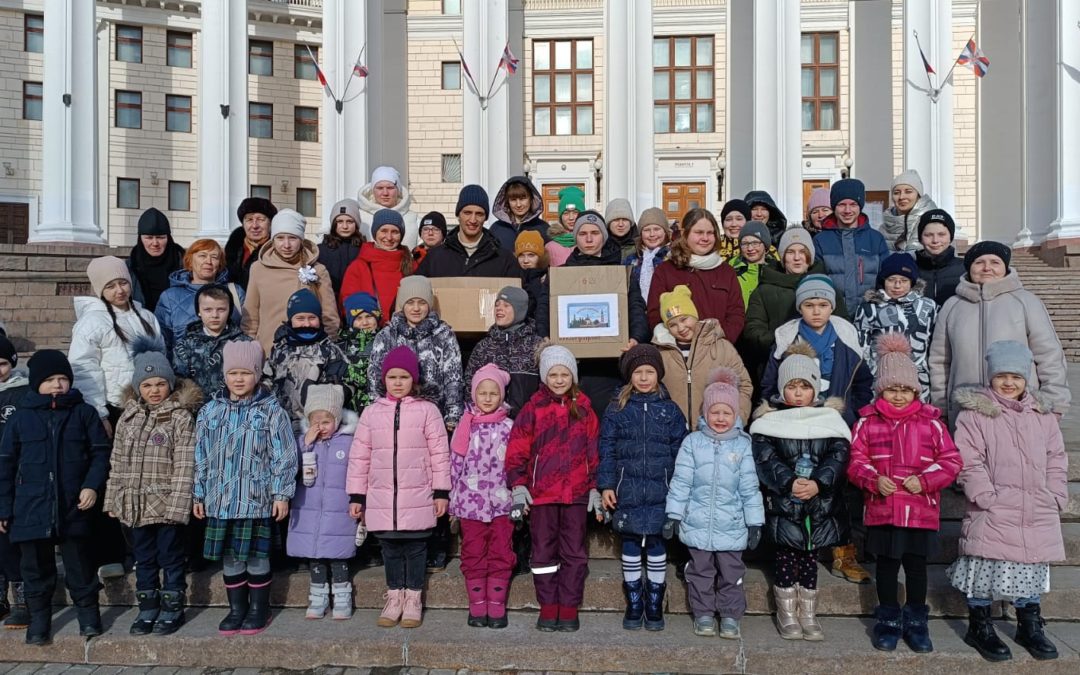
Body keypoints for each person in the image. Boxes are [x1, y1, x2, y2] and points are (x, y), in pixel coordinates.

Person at [949, 341, 1068, 663]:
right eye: (1002, 375)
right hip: (995, 505)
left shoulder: (1042, 416)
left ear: (1027, 379)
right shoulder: (976, 415)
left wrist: (1056, 492)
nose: (1009, 382)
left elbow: (1056, 457)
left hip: (1036, 506)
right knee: (985, 566)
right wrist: (985, 494)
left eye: (1016, 376)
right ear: (991, 377)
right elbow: (968, 458)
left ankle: (1029, 624)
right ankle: (980, 624)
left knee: (1030, 565)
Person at [847, 334, 961, 653]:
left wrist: (924, 481)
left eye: (905, 389)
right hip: (884, 509)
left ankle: (915, 621)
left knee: (914, 566)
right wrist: (873, 479)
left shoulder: (931, 423)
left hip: (919, 511)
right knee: (885, 565)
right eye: (892, 389)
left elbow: (951, 460)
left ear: (916, 390)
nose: (898, 396)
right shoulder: (867, 422)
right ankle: (888, 619)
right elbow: (856, 460)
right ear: (881, 390)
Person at [0, 350, 111, 645]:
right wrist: (4, 508)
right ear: (37, 382)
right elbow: (6, 464)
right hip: (30, 506)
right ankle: (39, 620)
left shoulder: (82, 412)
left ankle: (88, 615)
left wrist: (91, 486)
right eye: (50, 380)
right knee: (35, 569)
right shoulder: (21, 418)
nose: (57, 385)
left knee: (80, 566)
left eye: (63, 378)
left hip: (73, 503)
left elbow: (100, 454)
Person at [193, 340, 297, 637]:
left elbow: (284, 454)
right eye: (233, 373)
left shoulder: (270, 411)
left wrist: (281, 493)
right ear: (224, 375)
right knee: (231, 557)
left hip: (256, 498)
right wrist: (198, 493)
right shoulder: (210, 411)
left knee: (256, 556)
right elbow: (200, 454)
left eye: (246, 373)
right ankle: (237, 608)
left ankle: (257, 609)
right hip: (221, 499)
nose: (239, 379)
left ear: (257, 375)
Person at [750, 346, 852, 641]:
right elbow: (766, 457)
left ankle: (808, 613)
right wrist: (789, 482)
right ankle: (787, 612)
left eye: (805, 386)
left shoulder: (829, 421)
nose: (798, 393)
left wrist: (819, 482)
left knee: (809, 559)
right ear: (782, 390)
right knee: (785, 558)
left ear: (815, 389)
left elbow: (838, 455)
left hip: (818, 505)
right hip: (786, 504)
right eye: (791, 386)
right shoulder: (769, 424)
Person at [347, 346, 451, 629]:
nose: (397, 382)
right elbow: (360, 455)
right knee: (390, 548)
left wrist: (441, 491)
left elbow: (440, 453)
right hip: (382, 497)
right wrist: (357, 494)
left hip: (418, 494)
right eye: (392, 377)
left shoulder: (428, 411)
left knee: (416, 549)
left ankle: (413, 598)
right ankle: (394, 597)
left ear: (413, 380)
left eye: (404, 377)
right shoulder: (371, 413)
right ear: (384, 380)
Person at [105, 348, 200, 636]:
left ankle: (172, 606)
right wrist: (113, 498)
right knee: (143, 558)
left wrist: (177, 507)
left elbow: (185, 464)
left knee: (170, 556)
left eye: (160, 384)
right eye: (147, 385)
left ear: (170, 384)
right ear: (137, 388)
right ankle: (147, 606)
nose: (154, 390)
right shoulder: (128, 418)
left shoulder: (180, 418)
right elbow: (117, 461)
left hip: (165, 503)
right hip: (134, 505)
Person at [506, 345, 601, 633]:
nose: (559, 380)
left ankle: (569, 606)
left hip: (575, 494)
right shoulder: (533, 408)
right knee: (544, 552)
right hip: (542, 495)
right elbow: (517, 450)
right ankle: (548, 606)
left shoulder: (584, 409)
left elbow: (594, 452)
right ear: (544, 377)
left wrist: (596, 487)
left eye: (564, 374)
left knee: (574, 552)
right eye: (553, 374)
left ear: (572, 375)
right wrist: (519, 485)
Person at [666, 369, 763, 639]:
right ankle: (704, 612)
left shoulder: (742, 446)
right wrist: (674, 514)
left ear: (735, 416)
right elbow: (682, 481)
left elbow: (749, 487)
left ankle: (731, 615)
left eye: (726, 413)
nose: (720, 418)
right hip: (697, 522)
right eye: (715, 412)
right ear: (705, 413)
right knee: (700, 572)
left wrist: (755, 521)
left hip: (731, 524)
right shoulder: (693, 443)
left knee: (731, 573)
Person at [929, 241, 1070, 427]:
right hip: (965, 413)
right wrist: (941, 408)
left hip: (1020, 410)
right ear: (969, 267)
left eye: (995, 262)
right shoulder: (952, 306)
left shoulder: (1026, 302)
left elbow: (1049, 355)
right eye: (979, 262)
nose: (987, 268)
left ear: (1005, 267)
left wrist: (1054, 402)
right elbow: (940, 361)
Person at [598, 346, 687, 632]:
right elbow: (607, 448)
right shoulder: (617, 408)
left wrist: (678, 486)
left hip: (662, 489)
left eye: (650, 372)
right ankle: (635, 600)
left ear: (658, 375)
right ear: (629, 376)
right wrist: (607, 484)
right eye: (638, 372)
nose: (644, 378)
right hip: (629, 489)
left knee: (658, 543)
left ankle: (654, 601)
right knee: (631, 543)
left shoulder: (670, 410)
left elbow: (680, 451)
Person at [535, 210, 651, 407]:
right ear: (575, 237)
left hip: (609, 366)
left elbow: (635, 307)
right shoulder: (559, 275)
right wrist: (545, 336)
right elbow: (544, 308)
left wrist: (636, 337)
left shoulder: (620, 273)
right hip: (569, 364)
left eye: (595, 233)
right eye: (582, 234)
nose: (589, 239)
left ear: (603, 236)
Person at [449, 365, 516, 629]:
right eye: (482, 393)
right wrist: (453, 498)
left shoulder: (510, 427)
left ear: (501, 396)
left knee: (501, 550)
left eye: (493, 393)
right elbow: (454, 463)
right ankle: (477, 603)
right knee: (474, 551)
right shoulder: (466, 426)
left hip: (502, 503)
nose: (487, 398)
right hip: (470, 503)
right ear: (473, 395)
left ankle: (497, 602)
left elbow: (517, 462)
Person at [743, 228, 849, 393]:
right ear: (783, 257)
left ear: (810, 256)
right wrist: (785, 343)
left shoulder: (827, 287)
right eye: (790, 252)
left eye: (803, 252)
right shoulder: (764, 290)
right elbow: (753, 331)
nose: (797, 258)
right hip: (777, 369)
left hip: (824, 372)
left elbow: (842, 325)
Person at [760, 274, 873, 427]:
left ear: (832, 307)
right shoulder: (786, 340)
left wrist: (850, 411)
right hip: (794, 420)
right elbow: (770, 383)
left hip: (837, 421)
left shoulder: (847, 340)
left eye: (823, 305)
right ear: (799, 308)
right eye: (809, 305)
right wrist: (780, 409)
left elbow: (862, 383)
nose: (816, 311)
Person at [70, 256, 165, 437]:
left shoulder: (146, 316)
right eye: (110, 286)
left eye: (123, 283)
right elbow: (83, 369)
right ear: (100, 290)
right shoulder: (91, 322)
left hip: (150, 401)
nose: (120, 290)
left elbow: (161, 356)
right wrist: (99, 412)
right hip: (114, 406)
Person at [288, 384, 358, 621]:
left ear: (337, 419)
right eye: (315, 421)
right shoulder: (302, 442)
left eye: (326, 421)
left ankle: (342, 598)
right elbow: (289, 467)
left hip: (338, 513)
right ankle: (317, 598)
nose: (321, 427)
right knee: (315, 557)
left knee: (339, 557)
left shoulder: (348, 443)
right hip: (309, 513)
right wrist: (305, 444)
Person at [366, 276, 464, 428]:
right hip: (395, 418)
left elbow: (453, 377)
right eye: (410, 302)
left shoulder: (443, 334)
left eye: (422, 302)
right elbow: (374, 375)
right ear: (402, 305)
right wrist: (378, 410)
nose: (416, 308)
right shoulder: (387, 335)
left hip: (434, 417)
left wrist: (453, 414)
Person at [241, 208, 340, 354]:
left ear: (301, 240)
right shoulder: (258, 269)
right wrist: (248, 347)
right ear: (272, 239)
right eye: (280, 238)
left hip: (309, 353)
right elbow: (251, 316)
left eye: (292, 238)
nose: (286, 245)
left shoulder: (318, 270)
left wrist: (329, 347)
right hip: (268, 352)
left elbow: (329, 315)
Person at [652, 285, 753, 427]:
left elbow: (744, 386)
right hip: (671, 434)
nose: (681, 328)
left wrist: (737, 420)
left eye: (684, 319)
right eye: (673, 325)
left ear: (694, 315)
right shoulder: (660, 353)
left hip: (714, 433)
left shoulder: (721, 347)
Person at [646, 208, 745, 342]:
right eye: (699, 232)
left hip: (718, 349)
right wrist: (678, 342)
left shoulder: (726, 272)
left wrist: (721, 339)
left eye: (710, 233)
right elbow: (655, 314)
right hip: (678, 351)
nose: (705, 238)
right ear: (685, 234)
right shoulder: (665, 270)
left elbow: (736, 314)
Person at [262, 289, 349, 432]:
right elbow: (267, 380)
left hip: (318, 424)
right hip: (283, 422)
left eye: (312, 318)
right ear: (291, 320)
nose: (307, 324)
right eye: (300, 318)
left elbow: (340, 386)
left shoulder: (330, 350)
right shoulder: (279, 350)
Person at [854, 254, 937, 400]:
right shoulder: (869, 307)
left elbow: (935, 345)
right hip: (880, 378)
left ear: (912, 282)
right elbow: (861, 347)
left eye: (904, 280)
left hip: (918, 380)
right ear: (883, 280)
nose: (897, 286)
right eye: (891, 280)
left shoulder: (928, 306)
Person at [464, 286, 544, 417]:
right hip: (491, 428)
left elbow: (545, 386)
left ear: (519, 310)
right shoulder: (484, 346)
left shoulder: (536, 345)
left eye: (506, 305)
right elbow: (469, 385)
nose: (499, 309)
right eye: (497, 305)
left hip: (527, 423)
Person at [155, 239, 245, 354]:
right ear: (190, 260)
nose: (209, 261)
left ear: (220, 263)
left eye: (214, 257)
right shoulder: (170, 297)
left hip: (228, 367)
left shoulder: (235, 292)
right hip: (183, 368)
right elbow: (162, 340)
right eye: (202, 256)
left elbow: (246, 332)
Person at [814, 178, 890, 311]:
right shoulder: (820, 240)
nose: (847, 210)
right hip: (834, 315)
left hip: (869, 314)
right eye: (842, 204)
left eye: (853, 204)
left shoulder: (876, 239)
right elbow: (817, 282)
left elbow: (885, 279)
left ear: (860, 206)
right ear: (833, 207)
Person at [171, 284, 254, 400]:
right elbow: (179, 382)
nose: (214, 315)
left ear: (229, 310)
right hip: (197, 411)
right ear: (199, 311)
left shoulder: (244, 344)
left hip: (235, 409)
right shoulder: (185, 345)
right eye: (208, 310)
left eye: (221, 309)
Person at [416, 185, 519, 278]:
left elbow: (521, 293)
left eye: (479, 214)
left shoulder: (503, 259)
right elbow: (416, 291)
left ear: (485, 218)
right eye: (467, 213)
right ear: (458, 215)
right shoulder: (435, 258)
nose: (473, 220)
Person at [339, 209, 415, 323]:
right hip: (369, 331)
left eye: (395, 232)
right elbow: (347, 304)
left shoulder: (410, 265)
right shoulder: (358, 267)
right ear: (375, 233)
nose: (389, 237)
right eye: (383, 231)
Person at [0, 337, 29, 629]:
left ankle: (21, 597)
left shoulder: (21, 393)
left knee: (8, 536)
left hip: (14, 473)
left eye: (2, 364)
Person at [127, 207, 186, 312]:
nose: (155, 243)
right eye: (149, 238)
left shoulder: (185, 264)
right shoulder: (130, 267)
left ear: (168, 237)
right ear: (140, 238)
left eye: (160, 237)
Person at [356, 165, 421, 248]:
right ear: (372, 191)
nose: (385, 193)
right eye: (380, 188)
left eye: (390, 188)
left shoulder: (414, 220)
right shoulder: (359, 219)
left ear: (398, 191)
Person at [337, 292, 381, 414]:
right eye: (359, 318)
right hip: (349, 408)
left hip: (378, 405)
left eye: (369, 316)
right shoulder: (341, 345)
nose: (365, 322)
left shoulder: (385, 340)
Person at [914, 209, 965, 306]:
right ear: (920, 238)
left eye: (941, 234)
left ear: (951, 237)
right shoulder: (910, 269)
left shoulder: (965, 268)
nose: (935, 240)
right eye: (928, 235)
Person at [226, 197, 278, 290]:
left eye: (260, 219)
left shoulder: (278, 251)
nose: (254, 226)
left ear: (270, 223)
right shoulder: (231, 250)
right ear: (243, 224)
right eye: (249, 220)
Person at [319, 198, 365, 299]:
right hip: (329, 301)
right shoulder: (321, 250)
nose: (345, 226)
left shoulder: (364, 249)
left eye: (349, 221)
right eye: (340, 221)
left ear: (356, 224)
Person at [881, 170, 937, 253]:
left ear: (918, 195)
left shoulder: (934, 221)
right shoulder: (883, 226)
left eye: (908, 192)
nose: (901, 197)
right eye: (896, 193)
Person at [625, 207, 671, 303]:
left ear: (665, 232)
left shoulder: (672, 258)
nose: (652, 234)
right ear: (641, 234)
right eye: (646, 230)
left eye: (657, 229)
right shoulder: (630, 260)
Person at [491, 176, 548, 252]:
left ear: (531, 199)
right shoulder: (497, 229)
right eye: (513, 200)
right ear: (507, 202)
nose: (518, 205)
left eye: (522, 199)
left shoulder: (543, 228)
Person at [728, 221, 777, 308]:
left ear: (765, 245)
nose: (750, 248)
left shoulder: (777, 270)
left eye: (755, 243)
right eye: (745, 244)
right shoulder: (730, 271)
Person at [546, 186, 585, 267]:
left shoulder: (589, 242)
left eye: (575, 212)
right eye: (566, 213)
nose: (571, 218)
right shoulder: (550, 247)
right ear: (560, 217)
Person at [514, 230, 548, 319]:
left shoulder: (547, 278)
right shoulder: (513, 277)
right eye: (521, 255)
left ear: (540, 257)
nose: (525, 260)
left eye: (531, 255)